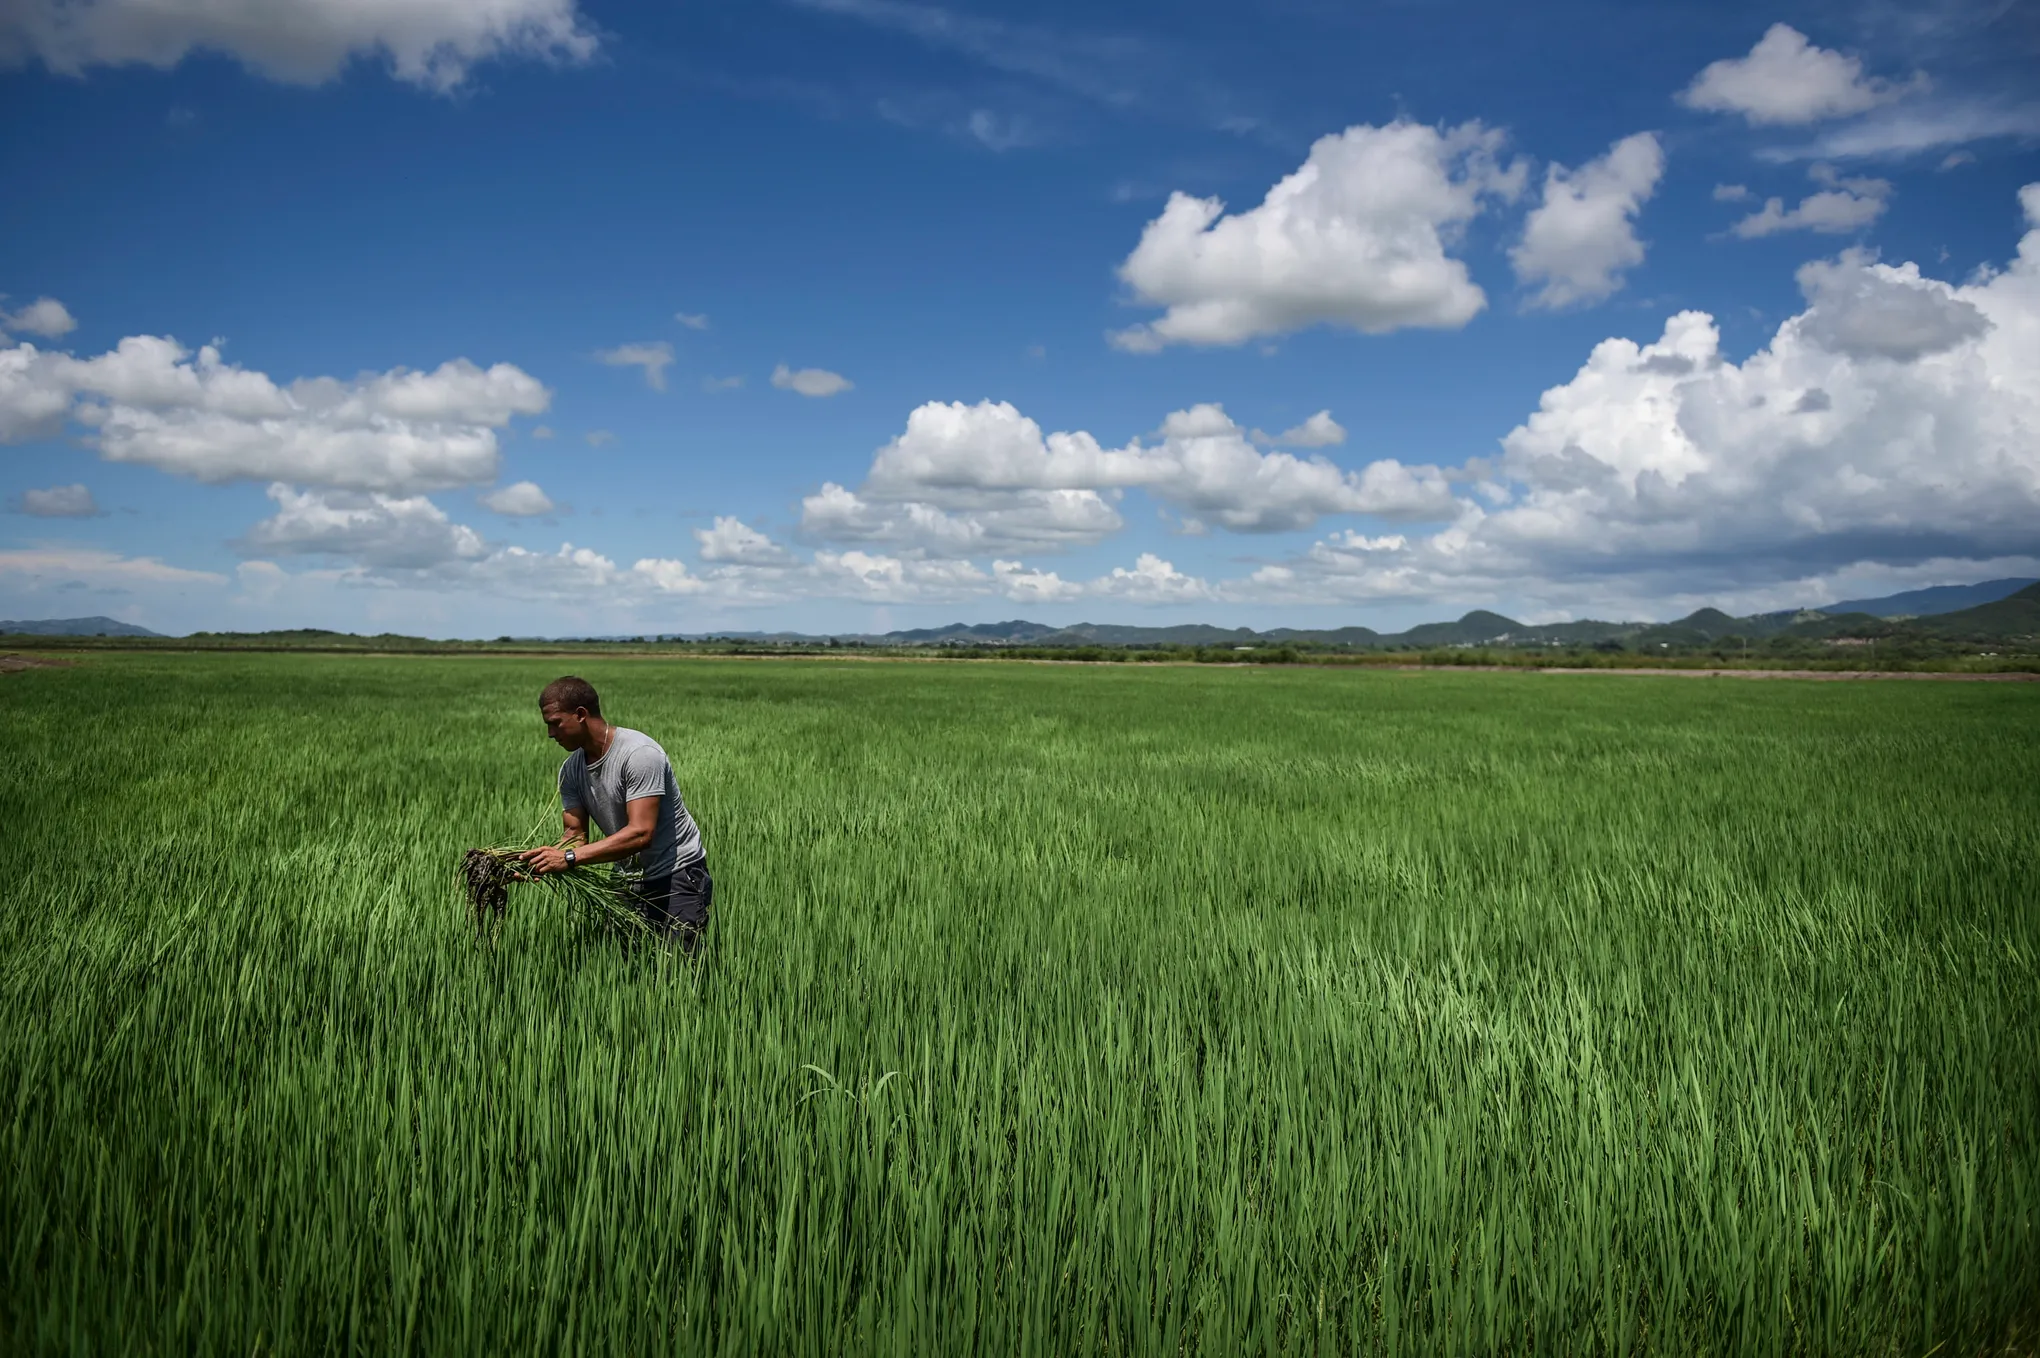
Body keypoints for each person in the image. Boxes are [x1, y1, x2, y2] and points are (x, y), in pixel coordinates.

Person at [519, 676, 713, 952]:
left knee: (680, 972)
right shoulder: (570, 770)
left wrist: (568, 858)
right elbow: (574, 836)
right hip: (626, 878)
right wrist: (532, 862)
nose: (551, 733)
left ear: (581, 714)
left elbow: (641, 832)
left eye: (555, 723)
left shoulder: (639, 754)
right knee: (626, 970)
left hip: (677, 874)